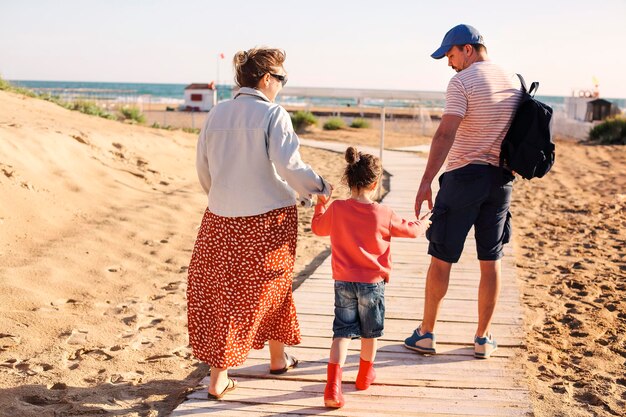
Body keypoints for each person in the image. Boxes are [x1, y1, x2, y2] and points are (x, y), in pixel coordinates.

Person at [187, 47, 332, 400]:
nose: (282, 85)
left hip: (220, 218)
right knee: (265, 289)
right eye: (281, 78)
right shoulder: (273, 114)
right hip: (267, 220)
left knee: (227, 292)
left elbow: (203, 168)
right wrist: (320, 188)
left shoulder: (217, 113)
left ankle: (278, 358)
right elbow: (289, 167)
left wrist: (222, 198)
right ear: (266, 79)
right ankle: (219, 379)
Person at [404, 24, 523, 359]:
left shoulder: (462, 81)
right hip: (500, 181)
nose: (449, 63)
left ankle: (426, 333)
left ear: (468, 49)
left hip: (462, 179)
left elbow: (445, 134)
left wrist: (426, 180)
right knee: (491, 259)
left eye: (450, 54)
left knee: (441, 258)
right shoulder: (514, 81)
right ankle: (483, 338)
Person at [312, 147, 431, 408]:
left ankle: (332, 387)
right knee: (370, 333)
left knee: (342, 332)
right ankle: (364, 376)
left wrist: (322, 206)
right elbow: (411, 232)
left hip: (343, 281)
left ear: (349, 180)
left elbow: (318, 228)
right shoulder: (383, 213)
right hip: (373, 284)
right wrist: (423, 223)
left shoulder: (338, 209)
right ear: (375, 184)